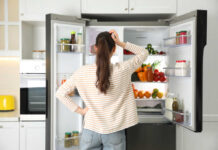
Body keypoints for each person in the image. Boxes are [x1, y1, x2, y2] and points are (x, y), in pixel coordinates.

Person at [56, 30, 148, 150]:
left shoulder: (82, 72)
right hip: (114, 131)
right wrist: (120, 43)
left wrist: (81, 111)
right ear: (114, 49)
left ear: (95, 48)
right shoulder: (123, 69)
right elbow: (144, 52)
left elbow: (60, 93)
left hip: (90, 130)